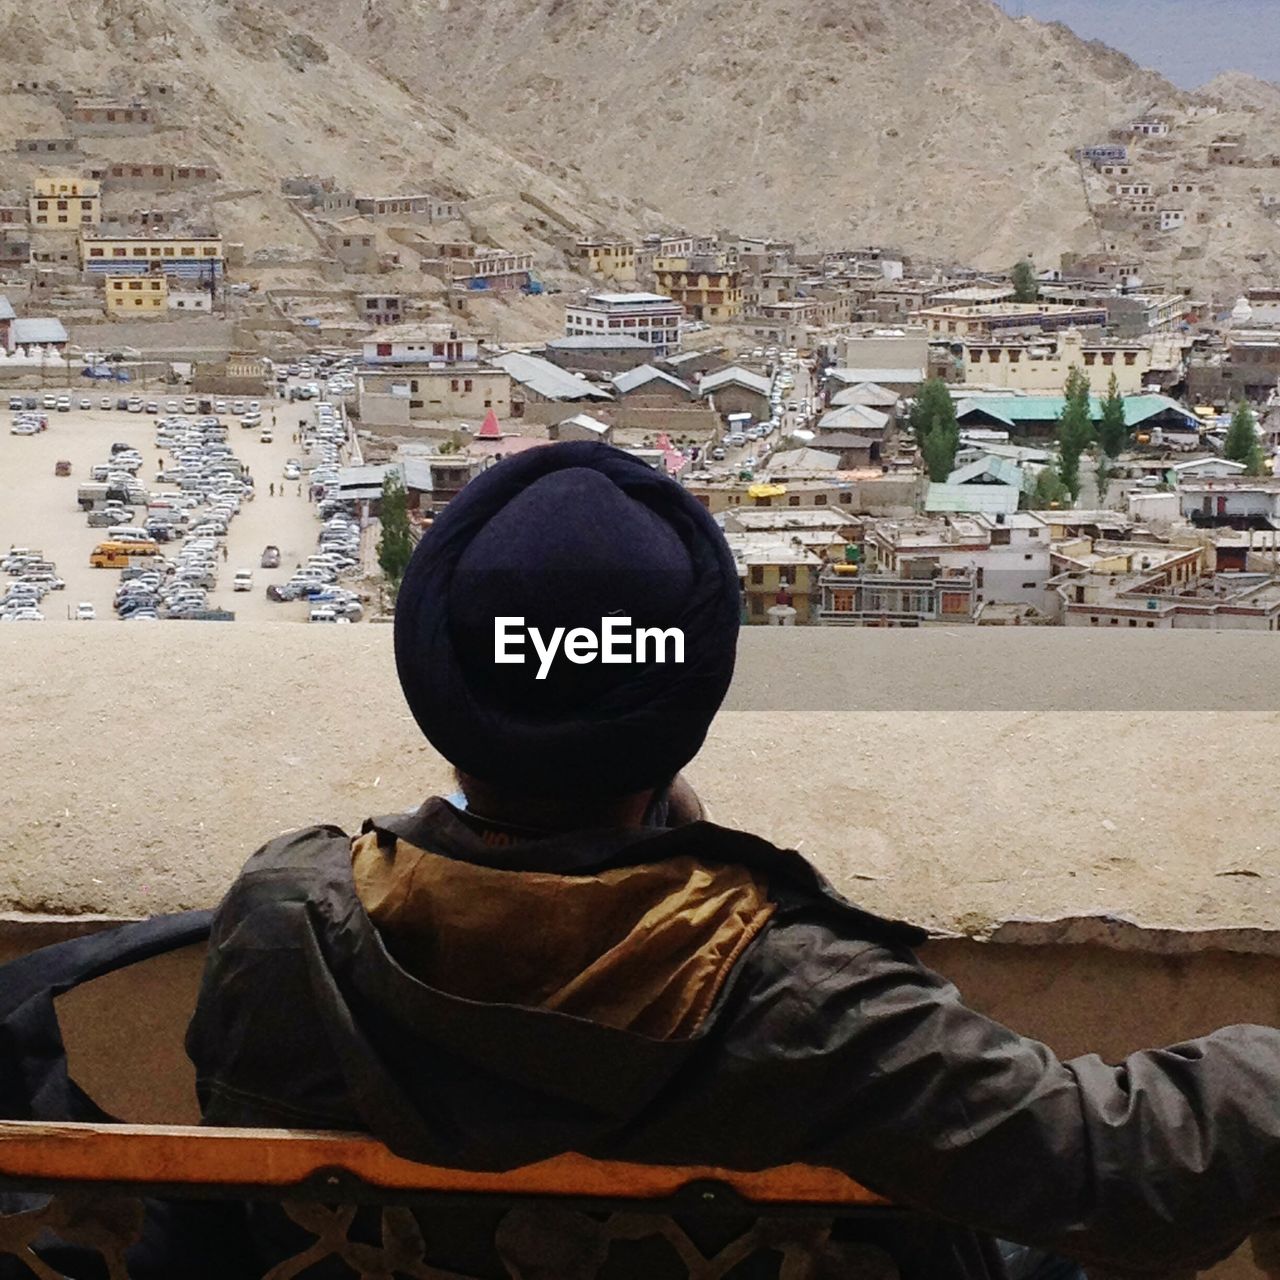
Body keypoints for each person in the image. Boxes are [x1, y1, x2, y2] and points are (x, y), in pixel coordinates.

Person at [188, 442, 1280, 1280]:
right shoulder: (799, 997)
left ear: (434, 674)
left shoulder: (283, 921)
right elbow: (1126, 1174)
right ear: (690, 693)